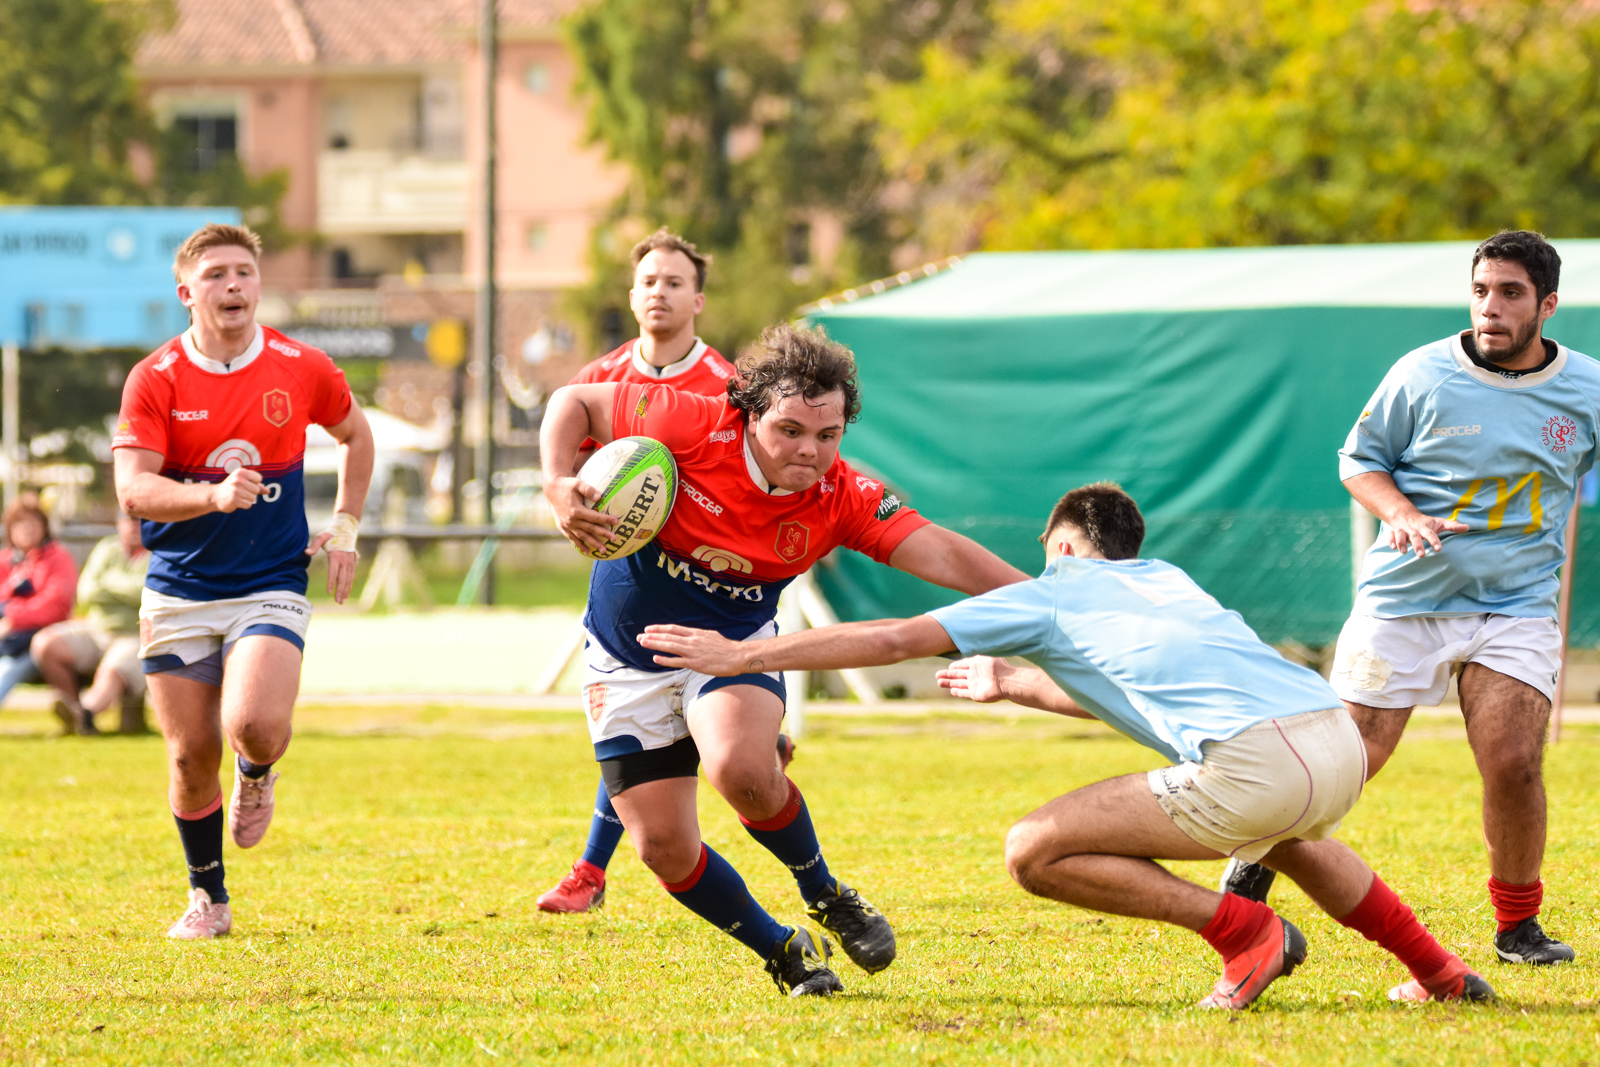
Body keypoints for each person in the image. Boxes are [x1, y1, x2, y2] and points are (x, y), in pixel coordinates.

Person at [639, 482, 1498, 1008]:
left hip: (1259, 760)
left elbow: (898, 635)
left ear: (1061, 546)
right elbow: (1121, 691)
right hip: (1333, 741)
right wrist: (1013, 682)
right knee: (1294, 836)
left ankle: (1245, 932)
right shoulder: (1165, 580)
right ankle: (1440, 970)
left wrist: (743, 654)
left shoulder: (1051, 591)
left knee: (1033, 849)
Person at [540, 322, 1030, 995]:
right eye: (791, 430)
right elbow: (575, 401)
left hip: (734, 651)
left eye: (828, 436)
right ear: (750, 413)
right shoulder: (691, 420)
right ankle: (782, 949)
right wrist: (557, 482)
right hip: (626, 655)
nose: (809, 451)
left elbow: (941, 551)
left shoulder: (842, 495)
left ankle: (824, 891)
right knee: (663, 848)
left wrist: (1049, 598)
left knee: (741, 767)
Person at [1219, 230, 1588, 967]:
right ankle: (1252, 867)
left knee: (1514, 761)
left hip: (1515, 604)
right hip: (1405, 599)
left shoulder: (1587, 389)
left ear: (1547, 305)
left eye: (1511, 293)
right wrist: (1403, 515)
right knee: (1345, 760)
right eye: (1481, 289)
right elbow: (1359, 460)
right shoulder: (1422, 374)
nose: (1491, 307)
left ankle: (1518, 928)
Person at [113, 222, 374, 939]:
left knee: (253, 723)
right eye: (217, 275)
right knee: (188, 755)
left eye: (245, 273)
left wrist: (346, 525)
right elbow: (134, 490)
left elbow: (358, 434)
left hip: (270, 577)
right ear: (186, 292)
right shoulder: (155, 377)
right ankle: (209, 899)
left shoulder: (299, 364)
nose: (234, 286)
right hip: (178, 587)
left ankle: (255, 772)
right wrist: (210, 495)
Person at [537, 227, 795, 916]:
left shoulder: (730, 388)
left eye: (674, 281)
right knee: (636, 720)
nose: (660, 291)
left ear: (698, 298)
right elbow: (573, 462)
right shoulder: (599, 380)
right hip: (625, 583)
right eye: (649, 280)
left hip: (711, 589)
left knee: (688, 733)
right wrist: (563, 494)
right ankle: (592, 869)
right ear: (632, 294)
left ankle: (591, 867)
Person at [31, 511, 150, 735]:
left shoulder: (159, 552)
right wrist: (127, 591)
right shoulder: (106, 548)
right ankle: (75, 716)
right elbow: (86, 592)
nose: (134, 526)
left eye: (140, 520)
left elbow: (146, 592)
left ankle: (85, 713)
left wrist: (109, 582)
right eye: (128, 519)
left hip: (134, 632)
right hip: (96, 628)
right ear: (118, 522)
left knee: (113, 668)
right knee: (45, 643)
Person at [0, 496, 77, 712]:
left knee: (6, 670)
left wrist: (12, 617)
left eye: (33, 522)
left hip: (39, 641)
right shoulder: (5, 560)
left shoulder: (58, 558)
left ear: (44, 528)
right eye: (20, 523)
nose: (27, 528)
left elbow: (54, 606)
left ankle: (77, 714)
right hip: (6, 639)